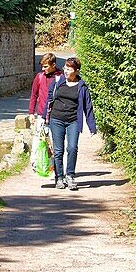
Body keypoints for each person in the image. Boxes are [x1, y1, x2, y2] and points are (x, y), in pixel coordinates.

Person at [44, 57, 97, 190]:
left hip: (73, 121)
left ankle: (70, 176)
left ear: (76, 71)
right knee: (58, 150)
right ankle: (59, 178)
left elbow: (88, 107)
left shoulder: (82, 86)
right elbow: (49, 100)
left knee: (72, 148)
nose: (65, 71)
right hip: (56, 119)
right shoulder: (57, 82)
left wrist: (92, 126)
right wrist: (44, 118)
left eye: (69, 69)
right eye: (65, 68)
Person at [28, 53, 61, 172]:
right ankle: (37, 164)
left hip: (57, 116)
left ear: (53, 65)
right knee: (38, 141)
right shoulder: (39, 77)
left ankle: (56, 168)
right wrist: (31, 113)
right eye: (42, 66)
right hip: (42, 115)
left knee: (56, 144)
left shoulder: (60, 76)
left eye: (46, 66)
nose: (43, 69)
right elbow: (34, 95)